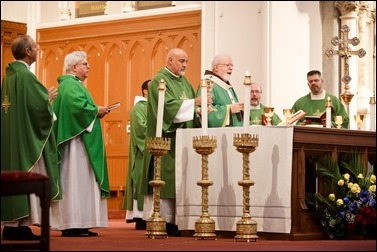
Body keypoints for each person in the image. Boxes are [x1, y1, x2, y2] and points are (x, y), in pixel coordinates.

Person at [1, 35, 61, 240]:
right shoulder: (26, 77)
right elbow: (38, 108)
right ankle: (19, 226)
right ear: (27, 52)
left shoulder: (8, 76)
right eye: (35, 47)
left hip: (11, 136)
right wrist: (48, 100)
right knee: (25, 175)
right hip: (24, 138)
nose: (38, 50)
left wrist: (43, 99)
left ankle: (13, 225)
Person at [139, 48, 205, 235]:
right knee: (165, 178)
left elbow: (190, 107)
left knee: (180, 180)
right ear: (169, 61)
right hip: (166, 140)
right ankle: (165, 220)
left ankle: (179, 220)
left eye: (186, 61)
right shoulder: (158, 81)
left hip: (182, 141)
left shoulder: (184, 81)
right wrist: (195, 103)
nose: (185, 65)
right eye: (181, 61)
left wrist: (198, 110)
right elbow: (167, 108)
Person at [51, 50, 111, 237]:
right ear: (74, 67)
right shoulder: (70, 85)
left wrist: (93, 110)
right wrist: (96, 111)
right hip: (75, 146)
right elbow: (76, 109)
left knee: (81, 184)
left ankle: (80, 223)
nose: (88, 67)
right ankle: (72, 224)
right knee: (75, 183)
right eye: (85, 64)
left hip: (79, 143)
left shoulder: (73, 84)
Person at [122, 79, 150, 230]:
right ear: (145, 91)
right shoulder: (138, 108)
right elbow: (142, 130)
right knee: (141, 179)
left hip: (153, 152)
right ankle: (140, 216)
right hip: (142, 154)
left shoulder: (154, 106)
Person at [198, 53, 243, 127]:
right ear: (216, 67)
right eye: (227, 65)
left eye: (232, 65)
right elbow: (205, 110)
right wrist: (229, 109)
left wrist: (241, 110)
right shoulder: (208, 84)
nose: (231, 68)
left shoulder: (226, 85)